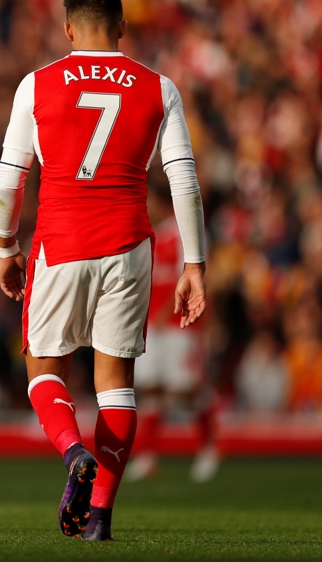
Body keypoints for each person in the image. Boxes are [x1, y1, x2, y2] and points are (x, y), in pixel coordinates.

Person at [0, 0, 206, 541]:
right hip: (129, 243)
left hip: (59, 243)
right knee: (116, 385)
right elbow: (183, 179)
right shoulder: (159, 87)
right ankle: (101, 516)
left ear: (68, 30)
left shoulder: (36, 85)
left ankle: (72, 452)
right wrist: (195, 265)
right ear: (122, 27)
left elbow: (9, 180)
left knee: (44, 368)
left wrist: (5, 249)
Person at [127, 191, 219, 483]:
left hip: (180, 325)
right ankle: (148, 456)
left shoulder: (183, 232)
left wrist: (165, 314)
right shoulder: (144, 234)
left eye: (147, 199)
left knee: (184, 391)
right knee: (151, 389)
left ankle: (209, 447)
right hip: (151, 327)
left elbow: (190, 277)